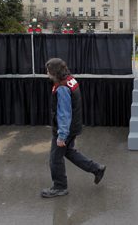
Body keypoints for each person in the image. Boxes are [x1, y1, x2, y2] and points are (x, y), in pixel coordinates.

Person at [41, 58, 106, 198]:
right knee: (69, 152)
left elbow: (64, 114)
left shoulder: (63, 88)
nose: (46, 73)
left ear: (55, 72)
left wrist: (61, 135)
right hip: (73, 126)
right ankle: (96, 168)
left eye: (48, 70)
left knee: (55, 159)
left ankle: (60, 187)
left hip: (66, 129)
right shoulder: (70, 80)